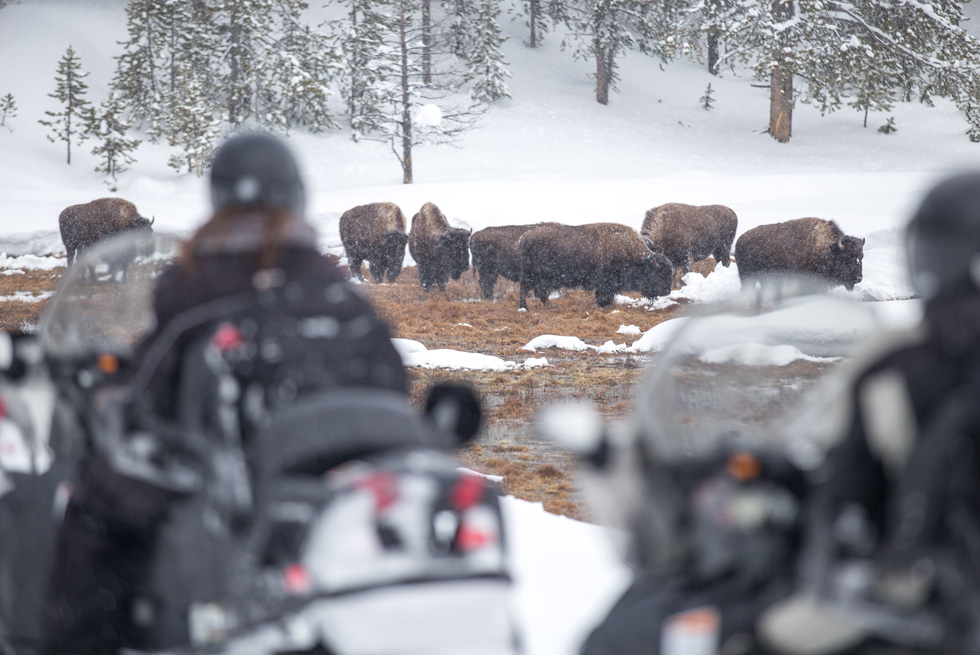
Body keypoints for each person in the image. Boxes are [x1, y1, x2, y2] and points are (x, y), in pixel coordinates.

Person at [39, 132, 408, 655]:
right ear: (295, 198)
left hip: (237, 492)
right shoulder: (339, 292)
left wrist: (115, 403)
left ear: (219, 200)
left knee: (95, 510)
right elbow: (393, 390)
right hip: (347, 497)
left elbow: (149, 393)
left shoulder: (194, 285)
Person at [760, 170, 980, 654]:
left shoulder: (902, 366)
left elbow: (843, 486)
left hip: (936, 599)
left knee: (764, 637)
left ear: (924, 256)